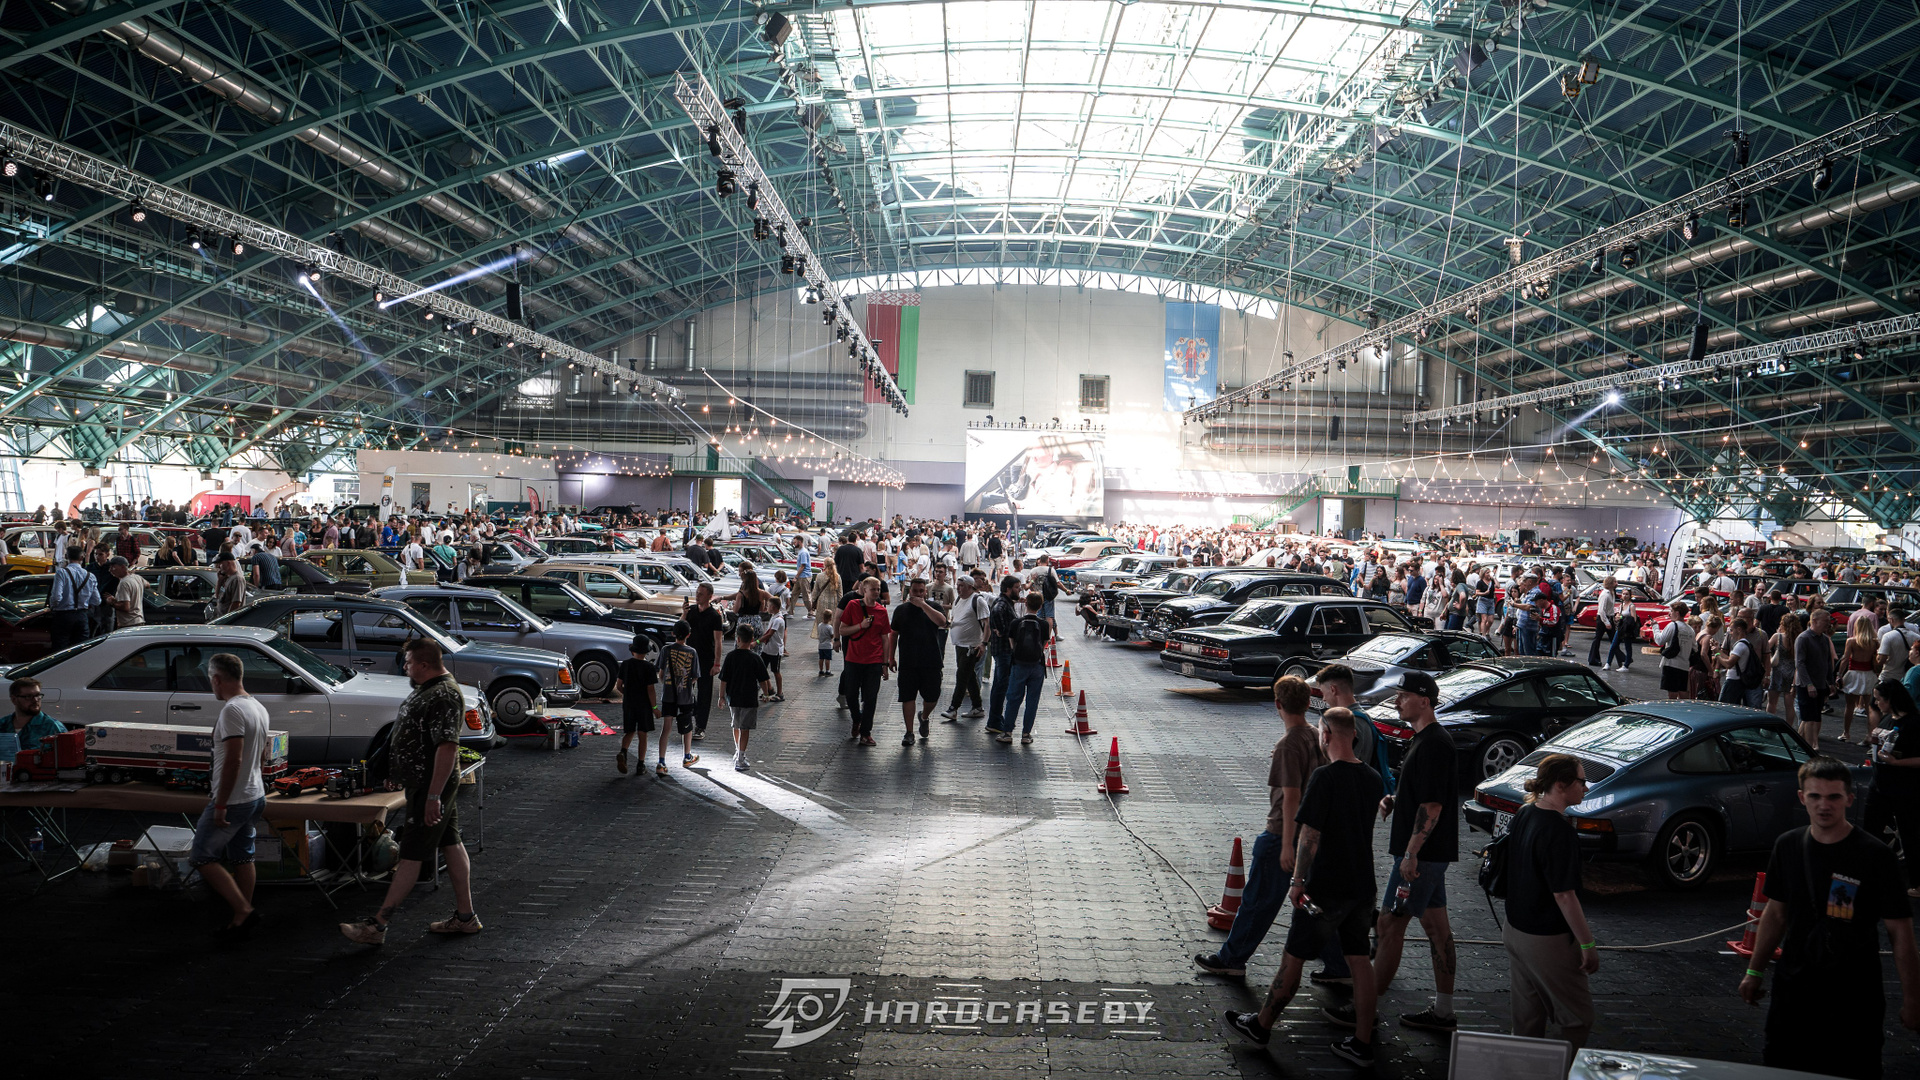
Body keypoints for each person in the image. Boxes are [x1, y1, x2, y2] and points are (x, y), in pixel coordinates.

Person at [1221, 708, 1383, 1067]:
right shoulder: (1372, 778)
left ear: (1326, 734)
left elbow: (1310, 834)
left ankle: (1261, 1026)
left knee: (1293, 957)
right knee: (1360, 961)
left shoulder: (1325, 777)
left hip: (1326, 886)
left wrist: (1297, 881)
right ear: (1354, 735)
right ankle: (1362, 1042)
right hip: (1363, 884)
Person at [1740, 756, 1920, 1079]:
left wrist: (1913, 999)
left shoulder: (1876, 856)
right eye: (1815, 796)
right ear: (1802, 797)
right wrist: (1754, 971)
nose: (1824, 805)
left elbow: (1901, 935)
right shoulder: (1788, 846)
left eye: (1834, 797)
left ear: (1849, 799)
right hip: (1794, 992)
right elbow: (1775, 914)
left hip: (1854, 997)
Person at [342, 638, 481, 945]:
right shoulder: (427, 689)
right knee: (451, 843)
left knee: (410, 855)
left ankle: (377, 926)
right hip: (425, 783)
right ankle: (465, 917)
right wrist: (397, 772)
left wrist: (433, 796)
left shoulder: (444, 695)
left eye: (407, 663)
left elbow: (447, 747)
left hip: (430, 786)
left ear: (423, 665)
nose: (404, 668)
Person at [1196, 675, 1331, 977]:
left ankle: (1232, 959)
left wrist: (1285, 845)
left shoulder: (1288, 744)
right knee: (1314, 901)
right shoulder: (1315, 735)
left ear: (1277, 704)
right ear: (1307, 703)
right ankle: (1338, 964)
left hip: (1282, 833)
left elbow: (1291, 796)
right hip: (1313, 834)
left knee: (1258, 900)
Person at [1350, 671, 1458, 1032]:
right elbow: (1423, 792)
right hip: (1428, 856)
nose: (1397, 701)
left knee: (1388, 925)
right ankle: (1444, 1012)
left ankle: (1363, 1010)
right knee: (1436, 929)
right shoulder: (1423, 739)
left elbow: (1433, 806)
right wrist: (1397, 799)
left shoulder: (1435, 744)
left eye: (1404, 696)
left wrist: (1411, 854)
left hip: (1422, 857)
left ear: (1424, 701)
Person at [1503, 753, 1600, 1050]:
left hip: (1515, 929)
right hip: (1546, 939)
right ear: (1561, 784)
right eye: (1581, 781)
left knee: (1527, 1019)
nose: (1585, 788)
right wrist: (1587, 944)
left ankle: (1523, 1068)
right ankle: (1557, 1069)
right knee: (1576, 1019)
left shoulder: (1525, 813)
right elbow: (1564, 895)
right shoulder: (1560, 831)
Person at [191, 653, 270, 936]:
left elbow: (234, 760)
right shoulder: (258, 707)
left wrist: (221, 804)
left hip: (234, 799)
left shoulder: (232, 711)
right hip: (255, 795)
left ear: (216, 679)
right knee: (242, 857)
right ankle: (241, 918)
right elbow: (262, 756)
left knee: (201, 856)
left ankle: (243, 910)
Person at [1865, 679, 1920, 899]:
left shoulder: (1914, 724)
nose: (1876, 703)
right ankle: (1869, 876)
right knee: (1870, 832)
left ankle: (1917, 883)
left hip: (1904, 789)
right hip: (1880, 784)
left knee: (1910, 835)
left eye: (1879, 699)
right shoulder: (1888, 718)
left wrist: (1897, 762)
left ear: (1891, 699)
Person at [888, 577, 948, 746]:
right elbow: (894, 634)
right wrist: (891, 657)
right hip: (908, 661)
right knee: (907, 697)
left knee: (932, 697)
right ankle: (909, 732)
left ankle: (924, 716)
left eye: (921, 591)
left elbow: (942, 622)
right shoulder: (901, 610)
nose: (918, 594)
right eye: (915, 591)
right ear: (910, 591)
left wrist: (923, 605)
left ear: (925, 591)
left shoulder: (934, 607)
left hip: (931, 660)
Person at [838, 577, 891, 747]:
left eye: (878, 589)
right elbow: (842, 630)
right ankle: (857, 719)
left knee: (870, 697)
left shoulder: (881, 611)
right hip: (853, 659)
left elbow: (885, 638)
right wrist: (860, 626)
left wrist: (885, 663)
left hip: (874, 660)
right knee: (851, 694)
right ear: (864, 589)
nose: (876, 592)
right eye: (873, 589)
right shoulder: (853, 605)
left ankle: (866, 733)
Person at [993, 593, 1051, 746]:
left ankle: (1007, 732)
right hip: (1037, 666)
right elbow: (1044, 643)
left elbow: (1012, 644)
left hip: (1018, 665)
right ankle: (1026, 734)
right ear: (1040, 606)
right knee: (1032, 700)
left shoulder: (1016, 622)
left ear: (1026, 604)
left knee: (1013, 699)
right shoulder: (1044, 624)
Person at [718, 626, 772, 770]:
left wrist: (721, 697)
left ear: (738, 639)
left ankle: (738, 751)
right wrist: (766, 694)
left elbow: (723, 679)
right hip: (749, 698)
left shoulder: (730, 657)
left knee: (736, 725)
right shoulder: (755, 658)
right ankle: (741, 757)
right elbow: (763, 679)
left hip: (733, 697)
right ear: (752, 639)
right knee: (745, 728)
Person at [940, 576, 990, 721]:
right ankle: (977, 707)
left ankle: (953, 708)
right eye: (957, 585)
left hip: (972, 646)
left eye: (961, 586)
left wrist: (983, 643)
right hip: (960, 645)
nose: (958, 588)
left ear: (969, 586)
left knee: (962, 676)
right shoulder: (958, 600)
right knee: (969, 676)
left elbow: (987, 624)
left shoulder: (978, 600)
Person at [684, 583, 726, 741]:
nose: (697, 596)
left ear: (709, 596)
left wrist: (717, 663)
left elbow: (718, 641)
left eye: (701, 594)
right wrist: (684, 613)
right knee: (686, 691)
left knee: (704, 693)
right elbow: (679, 630)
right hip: (689, 658)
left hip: (706, 659)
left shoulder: (714, 616)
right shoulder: (691, 611)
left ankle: (700, 726)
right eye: (697, 593)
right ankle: (692, 715)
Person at [658, 620, 701, 771]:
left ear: (673, 634)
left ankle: (661, 762)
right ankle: (687, 756)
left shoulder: (665, 649)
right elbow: (695, 676)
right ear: (689, 635)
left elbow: (661, 674)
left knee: (666, 728)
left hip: (668, 696)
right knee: (687, 727)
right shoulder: (692, 652)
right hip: (685, 696)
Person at [613, 637, 659, 776]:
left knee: (630, 731)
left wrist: (627, 693)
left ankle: (623, 752)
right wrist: (655, 708)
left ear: (633, 651)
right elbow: (650, 690)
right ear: (646, 652)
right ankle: (640, 764)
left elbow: (618, 686)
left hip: (629, 703)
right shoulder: (649, 667)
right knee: (642, 734)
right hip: (644, 704)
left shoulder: (625, 664)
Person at [985, 574, 1022, 735]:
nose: (1019, 590)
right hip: (1003, 651)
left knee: (999, 685)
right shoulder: (1002, 604)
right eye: (1016, 588)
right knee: (1001, 686)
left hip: (1004, 651)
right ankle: (994, 720)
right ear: (1008, 589)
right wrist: (1002, 630)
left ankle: (995, 719)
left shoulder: (1006, 603)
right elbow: (996, 613)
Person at [1797, 609, 1837, 747]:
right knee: (1809, 718)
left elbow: (1827, 662)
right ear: (1814, 621)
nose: (1828, 624)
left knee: (1814, 716)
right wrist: (1808, 684)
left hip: (1820, 684)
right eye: (1825, 621)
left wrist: (1831, 682)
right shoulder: (1803, 638)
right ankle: (1809, 747)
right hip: (1806, 685)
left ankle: (1799, 744)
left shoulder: (1825, 639)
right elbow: (1800, 664)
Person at [1842, 617, 1881, 742]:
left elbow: (1845, 659)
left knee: (1849, 705)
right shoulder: (1875, 642)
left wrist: (1839, 674)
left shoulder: (1851, 641)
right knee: (1869, 707)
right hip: (1869, 675)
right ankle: (1869, 734)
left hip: (1854, 674)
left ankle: (1846, 733)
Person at [6, 678, 64, 754]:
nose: (35, 700)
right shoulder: (3, 725)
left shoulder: (52, 727)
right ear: (14, 699)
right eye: (28, 696)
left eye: (38, 695)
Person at [1656, 602, 1695, 700]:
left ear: (1677, 613)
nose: (1670, 613)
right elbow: (1695, 648)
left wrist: (1655, 627)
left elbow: (1660, 640)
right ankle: (1683, 708)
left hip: (1672, 664)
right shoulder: (1690, 630)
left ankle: (1672, 708)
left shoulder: (1672, 625)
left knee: (1672, 694)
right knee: (1683, 692)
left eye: (1671, 611)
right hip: (1684, 665)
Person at [757, 595, 787, 702]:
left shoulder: (778, 620)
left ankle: (780, 693)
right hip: (767, 649)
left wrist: (757, 642)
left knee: (776, 671)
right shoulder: (774, 617)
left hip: (775, 650)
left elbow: (770, 634)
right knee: (762, 669)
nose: (767, 607)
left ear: (773, 607)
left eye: (768, 606)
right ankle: (769, 689)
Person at [105, 556, 145, 630]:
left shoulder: (124, 583)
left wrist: (111, 602)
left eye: (113, 567)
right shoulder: (135, 579)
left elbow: (125, 607)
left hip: (128, 625)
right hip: (138, 621)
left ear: (123, 567)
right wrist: (115, 600)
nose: (110, 570)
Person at [1588, 578, 1617, 667]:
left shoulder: (1612, 593)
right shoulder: (1605, 595)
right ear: (1610, 583)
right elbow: (1601, 611)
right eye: (1615, 582)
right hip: (1603, 619)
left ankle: (1622, 658)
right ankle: (1593, 659)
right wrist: (1606, 622)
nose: (1617, 583)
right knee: (1598, 639)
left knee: (1614, 639)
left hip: (1609, 618)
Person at [214, 552, 247, 618]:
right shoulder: (227, 578)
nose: (218, 566)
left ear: (228, 563)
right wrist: (219, 581)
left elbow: (236, 603)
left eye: (220, 564)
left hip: (228, 620)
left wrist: (227, 619)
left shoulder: (237, 579)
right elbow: (217, 596)